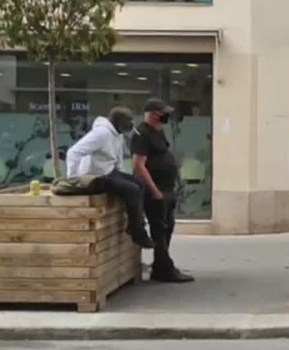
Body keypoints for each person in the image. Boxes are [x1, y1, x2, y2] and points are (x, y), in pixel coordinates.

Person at [66, 107, 154, 249]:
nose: (130, 125)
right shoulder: (101, 134)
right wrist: (74, 178)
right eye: (127, 121)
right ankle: (138, 232)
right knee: (131, 189)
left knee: (139, 183)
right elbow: (73, 152)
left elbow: (117, 160)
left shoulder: (117, 134)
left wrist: (122, 177)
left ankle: (135, 225)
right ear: (117, 121)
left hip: (110, 172)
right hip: (96, 176)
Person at [131, 98, 194, 283]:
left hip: (167, 188)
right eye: (162, 113)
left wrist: (176, 179)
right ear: (153, 114)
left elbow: (165, 155)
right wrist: (154, 189)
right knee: (159, 229)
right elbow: (139, 165)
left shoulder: (158, 131)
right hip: (155, 189)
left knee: (168, 227)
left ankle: (160, 265)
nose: (166, 116)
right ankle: (164, 268)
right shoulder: (141, 133)